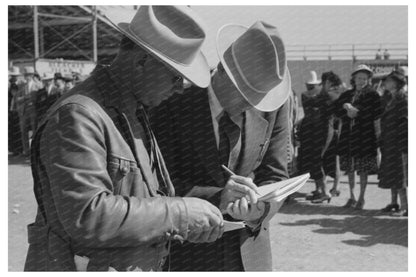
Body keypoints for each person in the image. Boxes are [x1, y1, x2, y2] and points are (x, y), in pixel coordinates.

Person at [24, 6, 225, 272]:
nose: (178, 89)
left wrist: (183, 224)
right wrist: (179, 213)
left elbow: (146, 200)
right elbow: (89, 216)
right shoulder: (78, 116)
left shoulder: (131, 110)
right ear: (141, 61)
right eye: (175, 77)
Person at [152, 21, 290, 271]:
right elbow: (156, 184)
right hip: (189, 256)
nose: (253, 105)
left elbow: (276, 175)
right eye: (245, 94)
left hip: (250, 258)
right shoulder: (172, 105)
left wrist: (259, 211)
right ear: (223, 71)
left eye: (259, 97)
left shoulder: (274, 108)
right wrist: (216, 198)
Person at [335, 64, 382, 210]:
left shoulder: (373, 95)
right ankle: (352, 196)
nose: (361, 81)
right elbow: (335, 109)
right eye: (359, 78)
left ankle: (361, 197)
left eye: (364, 78)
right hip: (349, 137)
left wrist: (357, 112)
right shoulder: (347, 95)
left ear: (368, 80)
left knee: (363, 169)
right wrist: (345, 108)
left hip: (364, 137)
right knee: (350, 168)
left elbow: (376, 114)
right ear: (353, 78)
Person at [298, 71, 343, 204]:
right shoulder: (327, 95)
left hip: (323, 131)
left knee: (316, 160)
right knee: (318, 160)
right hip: (319, 131)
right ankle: (322, 191)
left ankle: (324, 192)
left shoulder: (330, 96)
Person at [378, 71, 408, 217]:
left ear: (396, 82)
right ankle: (394, 202)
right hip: (389, 141)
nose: (386, 83)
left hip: (400, 142)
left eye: (389, 81)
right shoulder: (389, 97)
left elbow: (405, 121)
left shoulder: (404, 98)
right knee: (393, 173)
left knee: (400, 174)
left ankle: (405, 206)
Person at [297, 70, 322, 200]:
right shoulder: (313, 95)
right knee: (309, 159)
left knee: (315, 160)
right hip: (311, 130)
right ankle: (318, 188)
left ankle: (319, 188)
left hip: (313, 130)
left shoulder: (311, 95)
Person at [15, 66, 43, 156]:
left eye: (29, 75)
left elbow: (36, 99)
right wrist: (26, 98)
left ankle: (35, 151)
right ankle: (26, 151)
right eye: (26, 75)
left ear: (32, 75)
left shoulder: (37, 85)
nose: (27, 77)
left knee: (35, 131)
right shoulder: (22, 86)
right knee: (23, 131)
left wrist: (24, 99)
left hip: (33, 111)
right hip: (24, 111)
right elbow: (17, 99)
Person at [8, 66, 23, 155]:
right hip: (10, 109)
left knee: (18, 129)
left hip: (17, 109)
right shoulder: (10, 85)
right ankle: (13, 148)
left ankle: (19, 149)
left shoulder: (20, 85)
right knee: (11, 129)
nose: (13, 77)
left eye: (15, 76)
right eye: (12, 76)